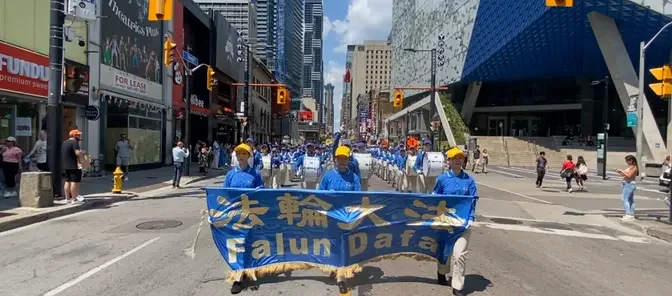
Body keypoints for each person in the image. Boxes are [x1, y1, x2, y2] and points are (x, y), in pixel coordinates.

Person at [432, 147, 477, 296]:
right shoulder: (443, 179)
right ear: (449, 161)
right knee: (444, 252)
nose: (458, 160)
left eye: (461, 158)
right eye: (455, 158)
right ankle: (442, 271)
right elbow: (434, 197)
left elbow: (472, 201)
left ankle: (457, 286)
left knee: (459, 254)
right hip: (446, 222)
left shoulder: (469, 180)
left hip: (462, 224)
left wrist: (470, 218)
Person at [224, 143, 265, 294]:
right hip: (234, 216)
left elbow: (263, 194)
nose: (241, 156)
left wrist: (259, 191)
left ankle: (248, 270)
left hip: (250, 215)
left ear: (249, 156)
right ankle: (237, 278)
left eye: (244, 153)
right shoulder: (230, 175)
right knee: (236, 246)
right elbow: (224, 195)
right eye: (238, 153)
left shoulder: (256, 174)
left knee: (248, 244)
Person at [62, 130, 86, 204]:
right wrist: (82, 153)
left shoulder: (64, 143)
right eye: (78, 135)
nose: (79, 136)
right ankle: (74, 199)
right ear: (74, 136)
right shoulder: (74, 142)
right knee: (74, 182)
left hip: (66, 165)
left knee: (67, 181)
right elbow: (77, 153)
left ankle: (67, 198)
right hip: (74, 165)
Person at [617, 155, 639, 221]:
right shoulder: (631, 167)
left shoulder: (634, 167)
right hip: (628, 184)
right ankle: (631, 214)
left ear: (632, 160)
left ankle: (628, 214)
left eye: (628, 160)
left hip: (629, 184)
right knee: (630, 200)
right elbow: (626, 175)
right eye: (626, 160)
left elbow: (629, 176)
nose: (627, 162)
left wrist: (622, 171)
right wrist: (620, 172)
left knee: (625, 199)